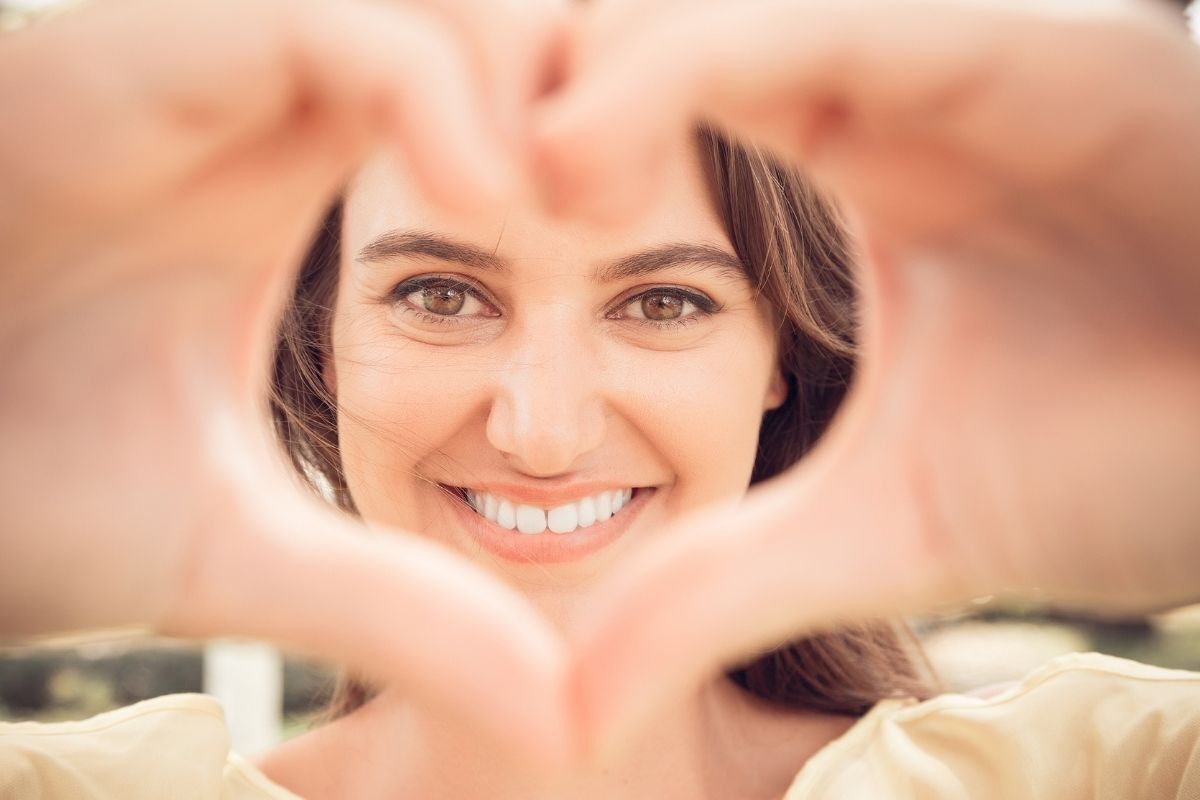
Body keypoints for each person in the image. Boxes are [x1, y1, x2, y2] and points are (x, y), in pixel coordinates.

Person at [1, 0, 1199, 797]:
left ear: (780, 349)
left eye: (664, 302)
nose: (544, 429)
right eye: (440, 292)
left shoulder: (1105, 771)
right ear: (311, 333)